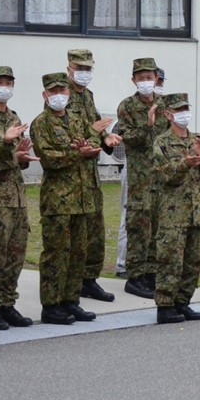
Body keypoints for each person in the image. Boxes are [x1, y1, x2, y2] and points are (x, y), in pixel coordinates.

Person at [31, 72, 120, 325]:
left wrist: (95, 147)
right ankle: (51, 306)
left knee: (78, 253)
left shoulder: (78, 119)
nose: (58, 95)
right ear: (45, 95)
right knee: (56, 254)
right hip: (58, 200)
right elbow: (48, 159)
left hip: (82, 198)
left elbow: (92, 142)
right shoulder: (42, 123)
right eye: (53, 92)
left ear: (69, 93)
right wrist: (77, 154)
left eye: (62, 91)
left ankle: (71, 301)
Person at [153, 93, 200, 324]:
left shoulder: (197, 139)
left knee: (192, 262)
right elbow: (163, 174)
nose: (184, 113)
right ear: (168, 114)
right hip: (172, 213)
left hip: (194, 212)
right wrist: (185, 163)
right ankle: (165, 306)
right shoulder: (162, 142)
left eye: (185, 108)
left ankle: (183, 302)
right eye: (178, 109)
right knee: (170, 261)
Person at [0, 66, 36, 332]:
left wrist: (21, 157)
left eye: (8, 82)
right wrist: (4, 143)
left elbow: (15, 160)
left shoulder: (14, 117)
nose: (4, 87)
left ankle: (6, 303)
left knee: (16, 254)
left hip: (17, 196)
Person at [114, 58, 169, 299]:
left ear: (157, 78)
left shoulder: (165, 104)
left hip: (161, 175)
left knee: (158, 224)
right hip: (139, 176)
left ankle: (152, 272)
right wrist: (148, 125)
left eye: (150, 76)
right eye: (141, 77)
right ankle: (135, 275)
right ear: (134, 80)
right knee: (139, 225)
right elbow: (127, 138)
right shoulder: (127, 106)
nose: (146, 81)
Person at [65, 49, 116, 304]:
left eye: (88, 69)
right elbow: (74, 134)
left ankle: (89, 279)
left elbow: (96, 127)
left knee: (96, 230)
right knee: (76, 235)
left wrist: (107, 139)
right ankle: (70, 284)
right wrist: (95, 132)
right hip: (71, 177)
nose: (84, 73)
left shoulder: (88, 96)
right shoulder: (61, 95)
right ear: (69, 68)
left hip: (91, 174)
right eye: (79, 68)